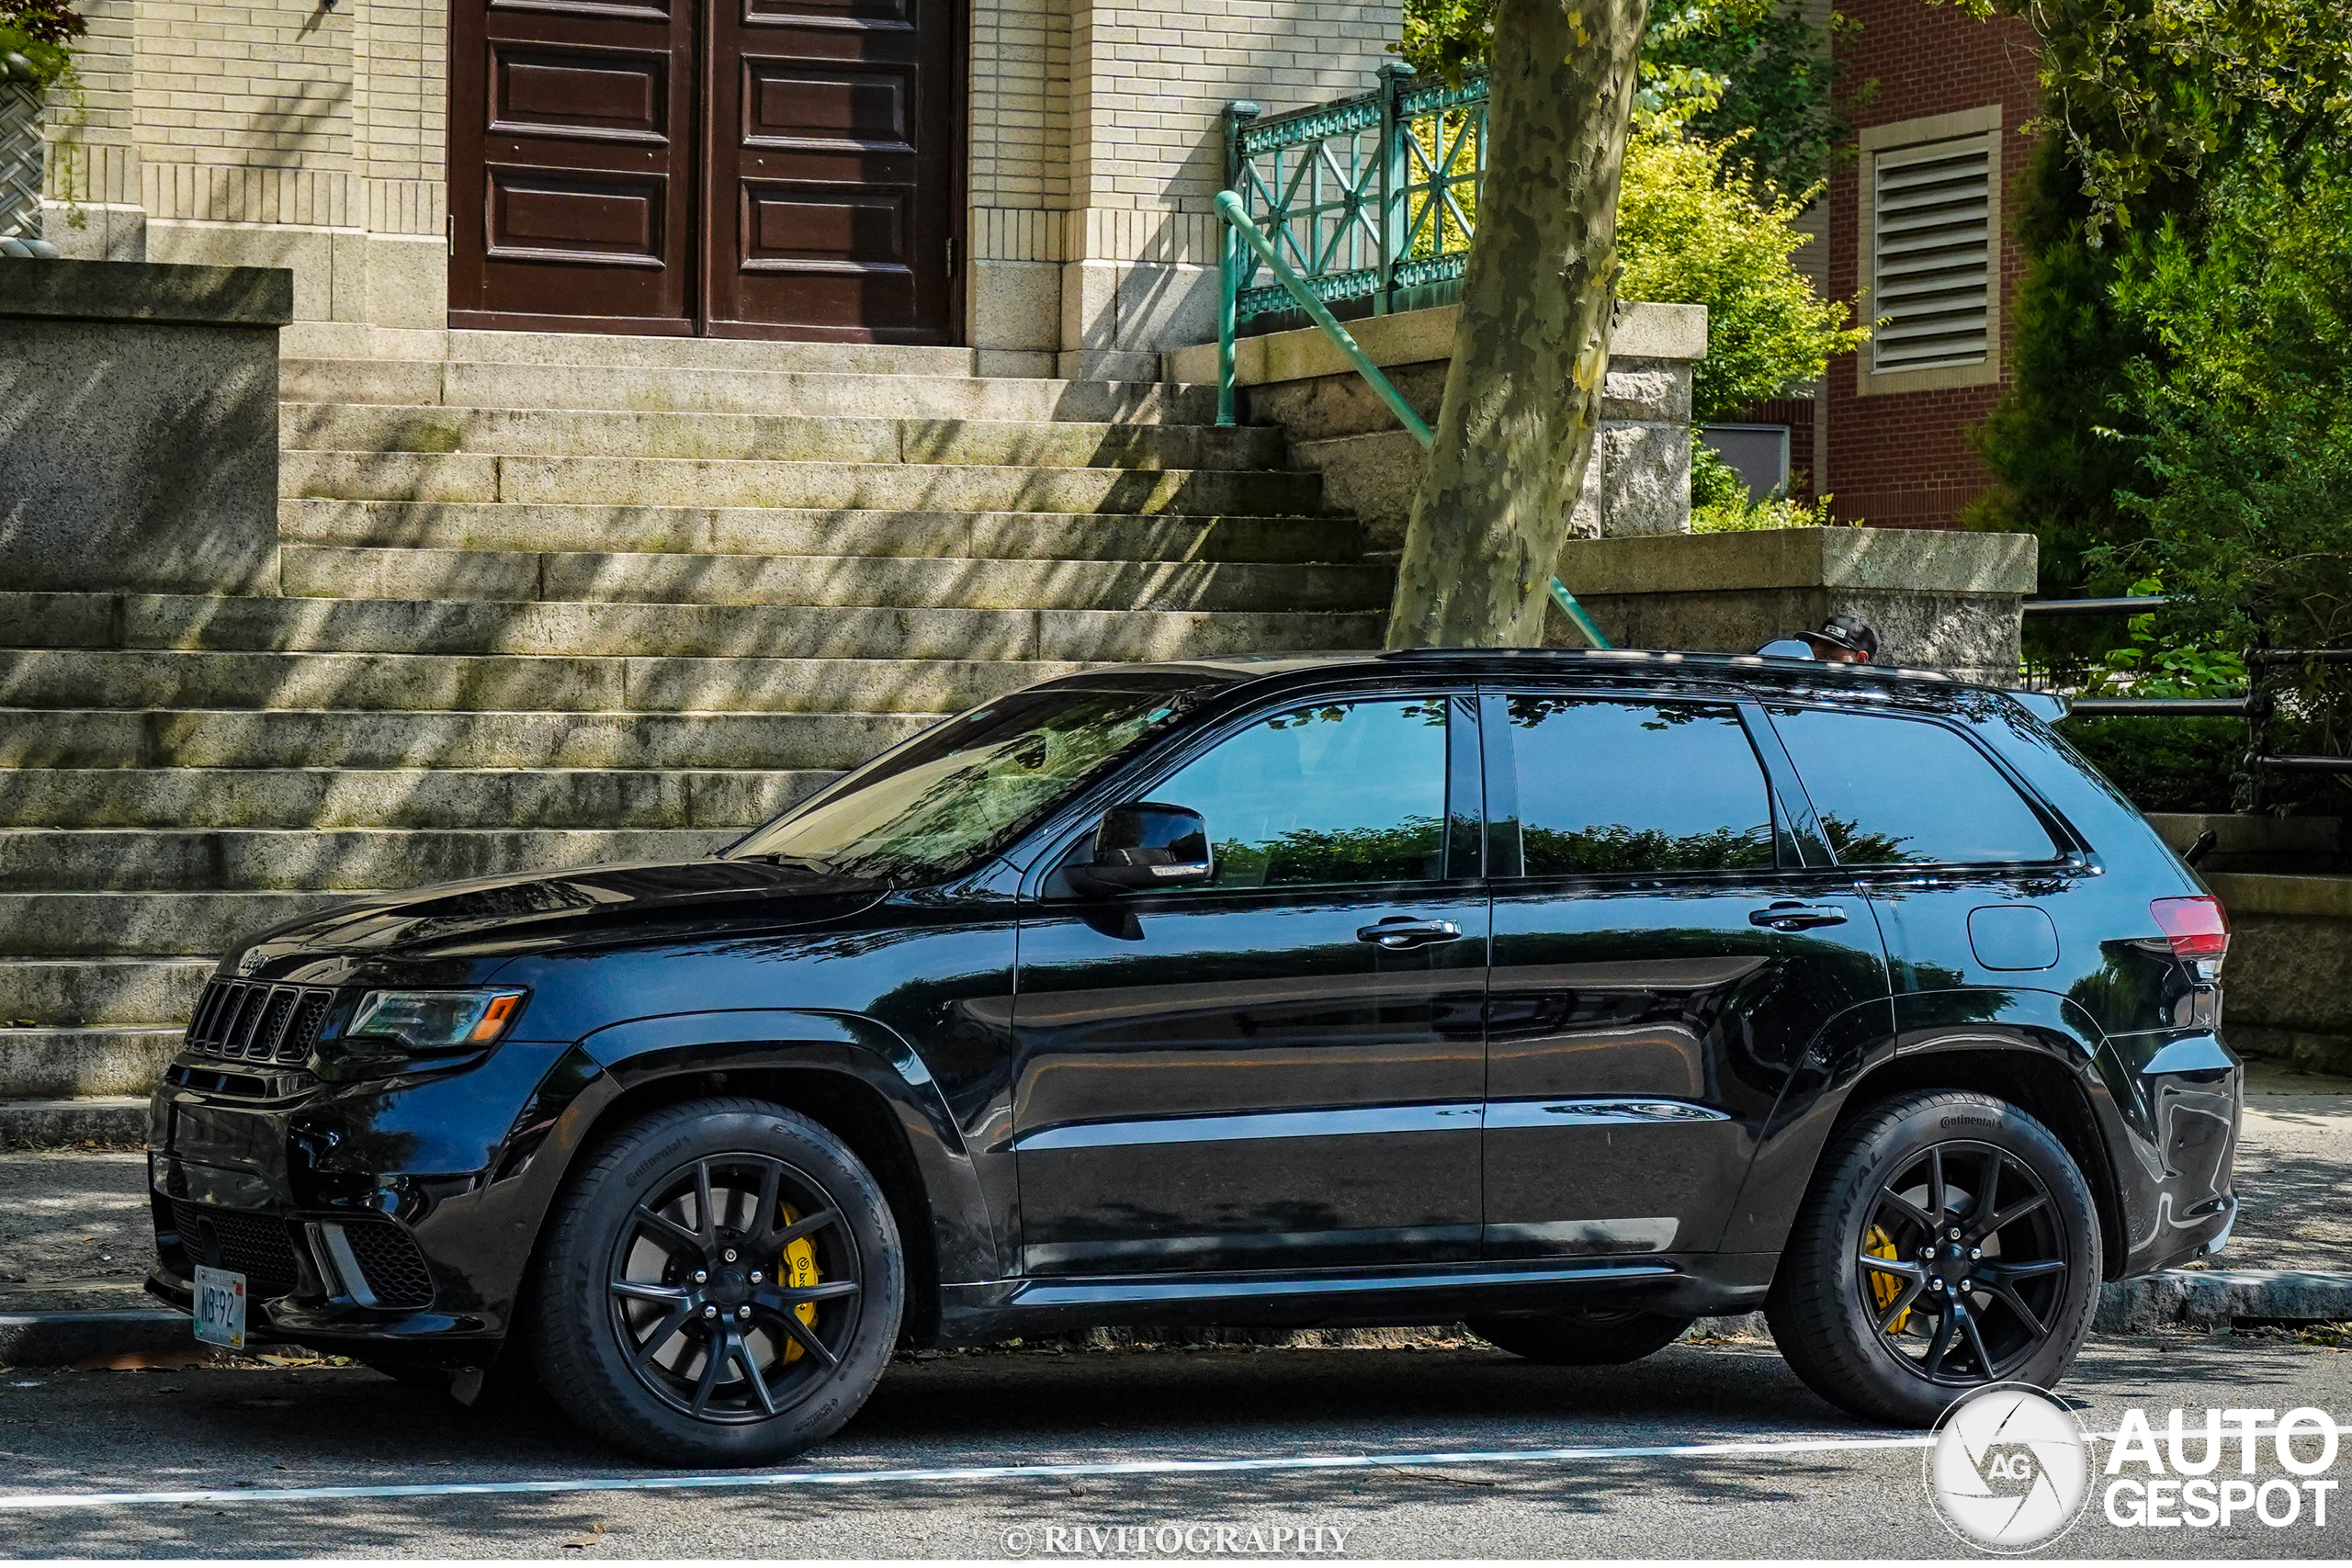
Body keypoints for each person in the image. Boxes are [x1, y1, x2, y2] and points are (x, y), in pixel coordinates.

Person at [1756, 614, 1881, 664]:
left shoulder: (1872, 701)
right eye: (1815, 657)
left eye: (1828, 658)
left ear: (1860, 659)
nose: (1818, 664)